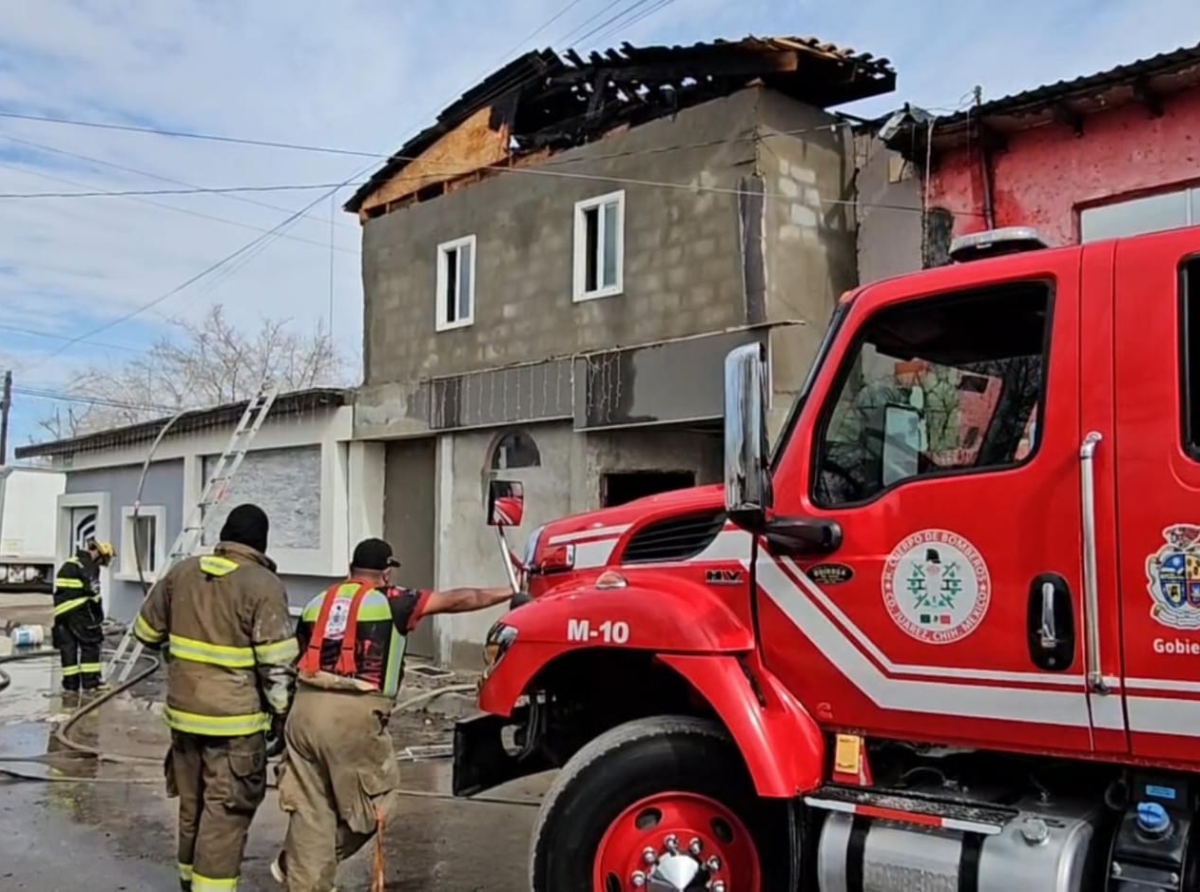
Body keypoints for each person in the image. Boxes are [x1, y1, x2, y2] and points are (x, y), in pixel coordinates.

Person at [270, 537, 513, 891]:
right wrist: (511, 592)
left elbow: (299, 657)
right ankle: (300, 862)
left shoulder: (317, 603)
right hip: (351, 717)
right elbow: (463, 599)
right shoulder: (391, 601)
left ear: (351, 570)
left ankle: (302, 871)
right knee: (376, 806)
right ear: (385, 573)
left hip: (303, 711)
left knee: (311, 808)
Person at [133, 503, 298, 892]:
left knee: (192, 809)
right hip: (235, 725)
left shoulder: (182, 573)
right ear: (261, 543)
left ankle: (189, 884)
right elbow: (276, 666)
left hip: (184, 718)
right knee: (224, 816)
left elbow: (144, 633)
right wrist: (280, 714)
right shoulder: (262, 585)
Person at [52, 537, 114, 692]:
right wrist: (98, 617)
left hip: (61, 614)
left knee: (68, 648)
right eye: (103, 559)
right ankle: (91, 683)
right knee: (91, 645)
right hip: (80, 611)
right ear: (98, 553)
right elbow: (94, 592)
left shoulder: (70, 562)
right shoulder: (88, 566)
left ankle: (70, 685)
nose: (102, 563)